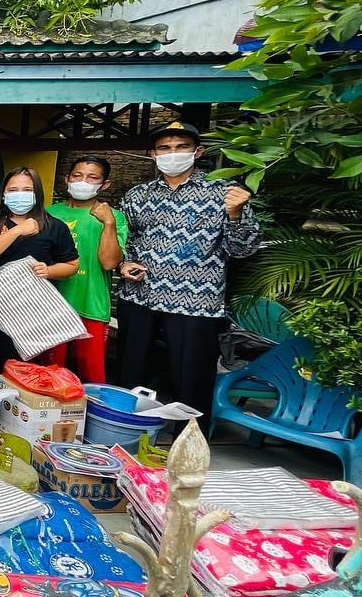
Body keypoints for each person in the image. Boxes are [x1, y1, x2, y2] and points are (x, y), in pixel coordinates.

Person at [117, 121, 259, 425]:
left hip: (195, 303)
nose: (173, 154)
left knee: (191, 380)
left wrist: (235, 215)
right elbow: (122, 242)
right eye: (165, 148)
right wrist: (122, 265)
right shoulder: (136, 195)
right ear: (152, 154)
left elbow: (244, 250)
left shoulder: (224, 193)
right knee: (132, 375)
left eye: (181, 147)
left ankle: (187, 442)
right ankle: (128, 431)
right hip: (140, 297)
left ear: (198, 151)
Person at [0, 167, 80, 373]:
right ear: (3, 194)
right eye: (13, 190)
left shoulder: (55, 227)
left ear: (37, 194)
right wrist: (16, 231)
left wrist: (49, 271)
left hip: (27, 312)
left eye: (27, 189)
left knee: (18, 369)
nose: (20, 195)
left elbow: (72, 264)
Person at [45, 156, 129, 383]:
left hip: (90, 304)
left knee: (92, 378)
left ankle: (92, 418)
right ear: (67, 179)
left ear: (105, 184)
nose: (83, 182)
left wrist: (108, 224)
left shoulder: (114, 217)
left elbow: (110, 263)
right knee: (50, 374)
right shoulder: (49, 213)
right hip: (50, 306)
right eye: (77, 176)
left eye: (92, 177)